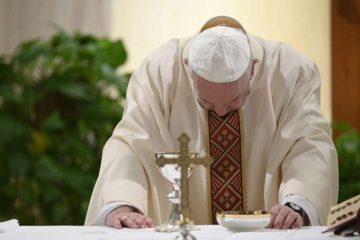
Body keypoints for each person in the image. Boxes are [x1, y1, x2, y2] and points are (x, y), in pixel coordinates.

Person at [85, 16, 338, 229]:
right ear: (188, 68)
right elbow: (130, 144)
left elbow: (309, 143)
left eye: (234, 101)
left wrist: (297, 204)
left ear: (252, 68)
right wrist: (122, 204)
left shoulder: (290, 71)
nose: (219, 112)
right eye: (206, 102)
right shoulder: (160, 71)